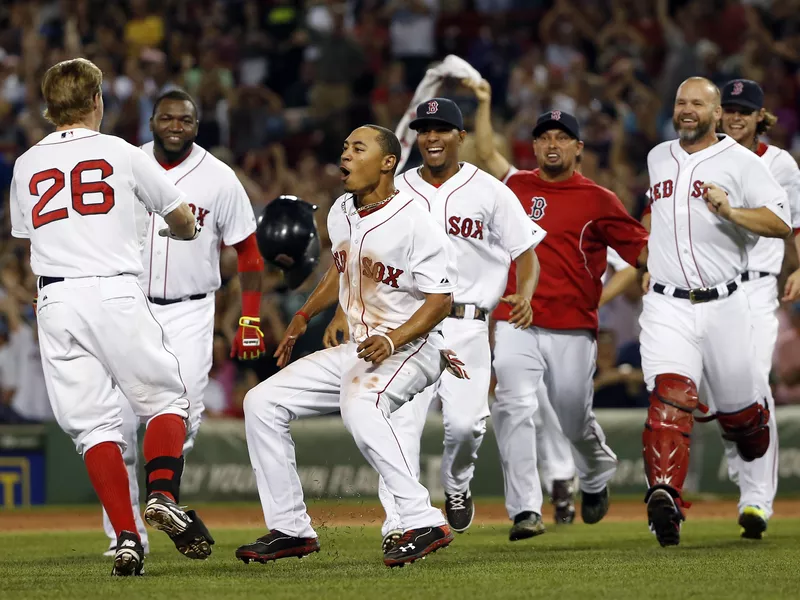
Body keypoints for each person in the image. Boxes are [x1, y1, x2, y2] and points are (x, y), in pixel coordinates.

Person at [8, 58, 214, 576]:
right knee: (167, 399)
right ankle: (163, 493)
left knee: (93, 428)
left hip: (55, 301)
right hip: (113, 292)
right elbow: (182, 216)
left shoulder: (27, 163)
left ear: (49, 106)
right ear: (97, 100)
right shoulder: (120, 152)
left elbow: (29, 238)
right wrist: (181, 233)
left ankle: (126, 537)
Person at [235, 125, 461, 568]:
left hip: (411, 345)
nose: (346, 155)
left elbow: (441, 300)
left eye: (359, 148)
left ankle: (421, 518)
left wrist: (393, 338)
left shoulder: (416, 220)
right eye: (344, 148)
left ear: (388, 162)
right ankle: (291, 528)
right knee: (261, 402)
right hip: (361, 346)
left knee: (360, 403)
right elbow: (340, 270)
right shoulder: (341, 210)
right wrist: (304, 316)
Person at [465, 78, 649, 535]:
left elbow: (640, 252)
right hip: (517, 318)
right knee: (513, 405)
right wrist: (486, 102)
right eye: (544, 137)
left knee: (572, 415)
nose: (552, 144)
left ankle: (596, 470)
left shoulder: (598, 199)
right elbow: (487, 153)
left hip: (573, 326)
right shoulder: (516, 187)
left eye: (562, 137)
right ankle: (526, 508)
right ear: (534, 146)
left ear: (578, 147)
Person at [362, 97, 545, 546]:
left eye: (441, 129)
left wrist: (523, 293)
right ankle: (399, 524)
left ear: (461, 136)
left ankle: (457, 483)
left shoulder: (491, 191)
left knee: (465, 427)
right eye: (424, 130)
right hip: (409, 325)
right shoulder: (398, 189)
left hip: (466, 323)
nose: (431, 137)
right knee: (398, 427)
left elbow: (526, 253)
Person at [100, 89, 264, 556]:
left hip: (193, 309)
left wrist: (249, 316)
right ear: (151, 121)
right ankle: (125, 535)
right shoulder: (125, 164)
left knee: (184, 417)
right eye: (167, 117)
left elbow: (248, 253)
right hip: (129, 302)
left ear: (197, 125)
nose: (175, 125)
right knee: (120, 421)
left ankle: (162, 501)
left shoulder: (219, 177)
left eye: (185, 119)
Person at [639, 77, 790, 547]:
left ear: (716, 111)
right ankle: (664, 497)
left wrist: (731, 212)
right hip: (666, 303)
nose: (687, 110)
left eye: (697, 104)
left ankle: (749, 435)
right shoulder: (657, 156)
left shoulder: (744, 163)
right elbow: (657, 214)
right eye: (681, 101)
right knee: (671, 396)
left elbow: (781, 222)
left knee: (743, 420)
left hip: (726, 304)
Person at [708, 79, 800, 538]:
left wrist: (798, 268)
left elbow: (793, 226)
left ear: (760, 116)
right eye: (730, 109)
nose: (736, 116)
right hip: (708, 291)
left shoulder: (780, 163)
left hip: (760, 287)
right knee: (721, 391)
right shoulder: (703, 156)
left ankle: (757, 500)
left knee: (756, 383)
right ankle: (742, 461)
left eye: (746, 110)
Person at [533, 247, 638, 524]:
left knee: (569, 406)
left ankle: (588, 471)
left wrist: (594, 300)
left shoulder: (590, 207)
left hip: (578, 329)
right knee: (538, 403)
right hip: (532, 322)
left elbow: (629, 267)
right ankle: (560, 481)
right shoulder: (521, 208)